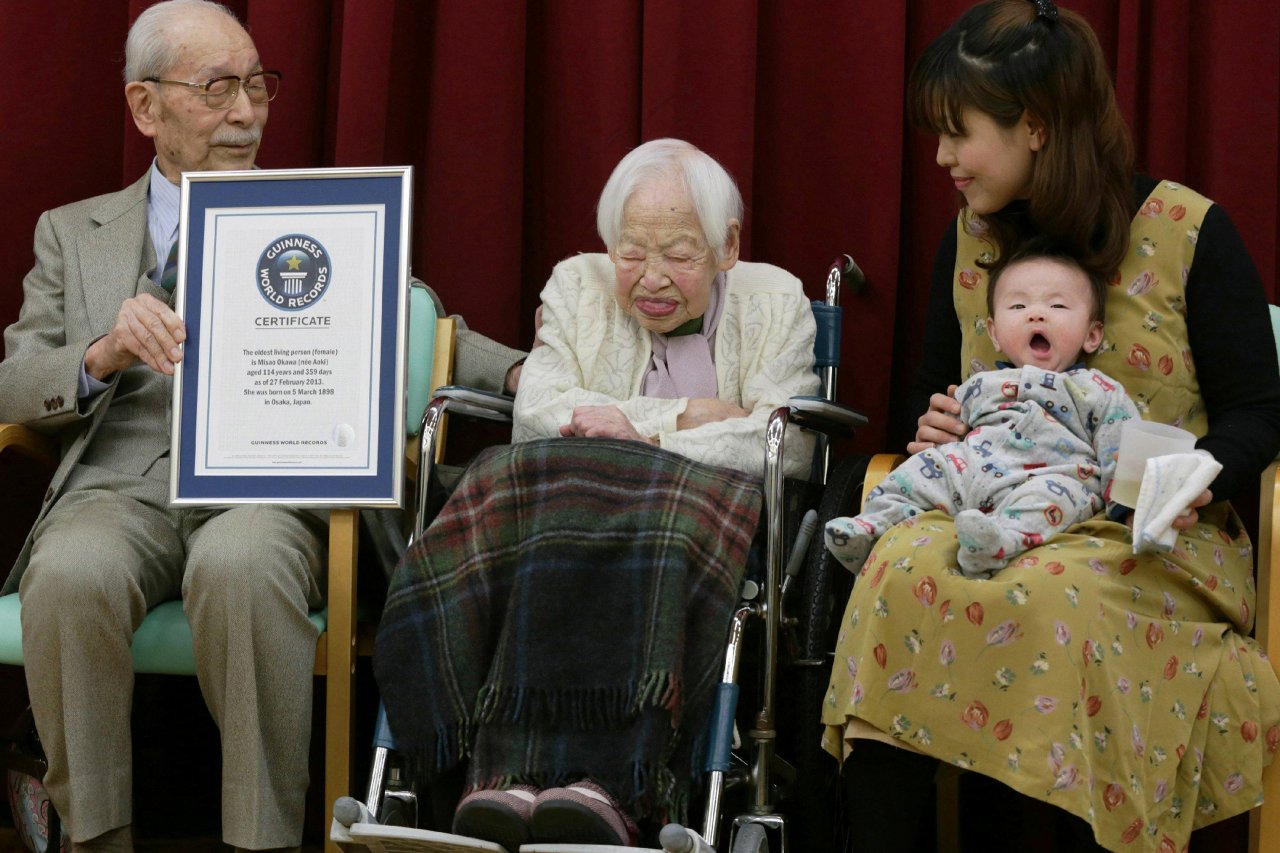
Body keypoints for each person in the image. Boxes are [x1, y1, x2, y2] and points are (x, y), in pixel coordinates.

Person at [0, 2, 522, 850]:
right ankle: (95, 837)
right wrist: (100, 353)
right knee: (70, 571)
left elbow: (416, 317)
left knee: (242, 566)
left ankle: (264, 837)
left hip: (265, 486)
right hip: (119, 486)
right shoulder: (72, 231)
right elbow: (15, 381)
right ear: (145, 108)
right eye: (216, 90)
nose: (247, 113)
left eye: (257, 85)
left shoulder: (310, 215)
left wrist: (527, 372)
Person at [821, 2, 1280, 851]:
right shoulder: (969, 242)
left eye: (958, 133)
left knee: (1046, 595)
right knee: (893, 569)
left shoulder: (1189, 232)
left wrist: (1205, 467)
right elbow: (926, 393)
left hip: (1147, 540)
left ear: (1033, 126)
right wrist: (933, 423)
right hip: (989, 506)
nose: (942, 158)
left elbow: (1261, 410)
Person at [374, 138, 819, 850]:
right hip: (563, 515)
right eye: (630, 251)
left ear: (727, 245)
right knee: (534, 504)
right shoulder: (575, 285)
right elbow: (536, 413)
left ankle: (607, 785)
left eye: (678, 253)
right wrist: (687, 416)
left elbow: (787, 441)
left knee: (650, 525)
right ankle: (505, 778)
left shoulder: (776, 300)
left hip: (693, 527)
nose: (650, 277)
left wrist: (635, 437)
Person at [826, 243, 1139, 578]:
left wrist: (1130, 508)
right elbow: (946, 437)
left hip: (1053, 476)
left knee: (1050, 500)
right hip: (973, 470)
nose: (1036, 314)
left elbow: (1120, 446)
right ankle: (876, 524)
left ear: (1092, 335)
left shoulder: (1096, 389)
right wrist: (938, 453)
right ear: (994, 334)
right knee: (923, 469)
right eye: (1018, 305)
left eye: (1057, 305)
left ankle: (997, 543)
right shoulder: (978, 384)